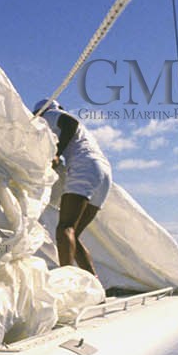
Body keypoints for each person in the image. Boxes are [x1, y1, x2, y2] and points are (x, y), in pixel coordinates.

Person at [33, 99, 111, 278]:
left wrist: (57, 154)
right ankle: (95, 285)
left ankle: (65, 283)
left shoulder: (48, 115)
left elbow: (70, 124)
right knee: (73, 234)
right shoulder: (84, 136)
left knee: (64, 228)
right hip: (104, 172)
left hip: (84, 165)